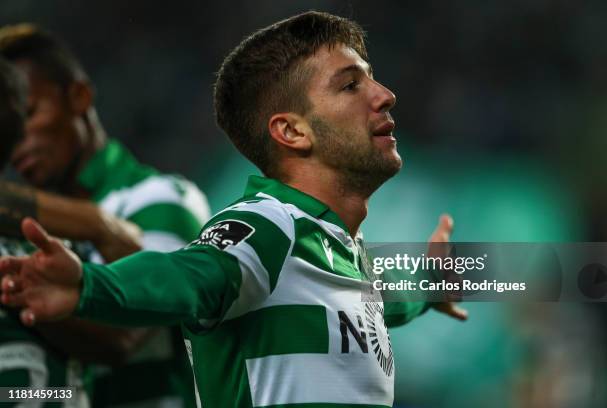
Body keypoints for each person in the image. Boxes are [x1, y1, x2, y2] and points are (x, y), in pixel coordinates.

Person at [0, 12, 466, 407]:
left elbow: (378, 301)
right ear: (293, 132)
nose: (385, 94)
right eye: (350, 85)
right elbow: (190, 275)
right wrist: (89, 285)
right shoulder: (267, 225)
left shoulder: (341, 253)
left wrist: (431, 286)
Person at [0, 24, 210, 408]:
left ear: (78, 97)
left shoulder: (161, 199)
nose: (18, 144)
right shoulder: (29, 232)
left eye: (29, 114)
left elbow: (125, 336)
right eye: (10, 129)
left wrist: (19, 290)